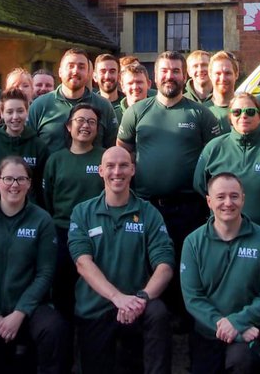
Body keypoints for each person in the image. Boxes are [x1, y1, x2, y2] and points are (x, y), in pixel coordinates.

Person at [68, 147, 175, 374]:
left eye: (124, 165)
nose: (117, 171)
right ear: (100, 171)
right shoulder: (82, 212)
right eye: (110, 166)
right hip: (95, 309)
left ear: (133, 170)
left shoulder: (149, 213)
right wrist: (117, 298)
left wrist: (141, 298)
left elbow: (164, 266)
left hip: (137, 307)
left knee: (158, 313)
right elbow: (83, 264)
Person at [0, 156, 69, 374]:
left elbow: (45, 273)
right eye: (8, 179)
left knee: (54, 327)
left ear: (29, 183)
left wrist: (20, 312)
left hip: (28, 310)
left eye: (21, 179)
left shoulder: (42, 220)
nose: (14, 185)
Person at [117, 50, 221, 271]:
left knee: (186, 267)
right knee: (145, 266)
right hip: (146, 207)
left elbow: (217, 159)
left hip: (189, 209)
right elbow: (122, 155)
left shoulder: (201, 114)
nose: (170, 76)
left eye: (176, 71)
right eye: (164, 71)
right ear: (155, 76)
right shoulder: (137, 111)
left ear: (185, 76)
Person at [180, 172, 260, 374]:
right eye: (220, 197)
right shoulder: (193, 243)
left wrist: (238, 322)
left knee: (241, 361)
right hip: (208, 333)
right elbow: (193, 298)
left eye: (234, 196)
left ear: (243, 199)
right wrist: (230, 328)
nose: (228, 203)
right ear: (209, 201)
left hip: (251, 331)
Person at [193, 93, 260, 255]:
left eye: (250, 111)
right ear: (230, 117)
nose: (243, 116)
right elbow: (200, 187)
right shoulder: (214, 148)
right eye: (237, 112)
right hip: (224, 244)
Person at [41, 103, 105, 313]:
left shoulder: (104, 158)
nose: (85, 126)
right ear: (69, 126)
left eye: (91, 122)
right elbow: (47, 197)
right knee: (62, 287)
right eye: (80, 120)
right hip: (63, 232)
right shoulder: (56, 160)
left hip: (99, 232)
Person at [29, 48, 118, 153]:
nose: (75, 71)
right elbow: (29, 149)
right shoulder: (40, 105)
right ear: (60, 71)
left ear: (89, 73)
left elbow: (112, 150)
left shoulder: (104, 106)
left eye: (81, 67)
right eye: (70, 66)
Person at [0, 88, 47, 199]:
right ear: (2, 113)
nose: (15, 117)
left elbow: (41, 186)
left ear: (27, 112)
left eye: (20, 111)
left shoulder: (38, 146)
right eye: (9, 112)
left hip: (29, 212)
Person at [207, 50, 240, 128]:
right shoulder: (202, 111)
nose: (223, 78)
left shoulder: (247, 111)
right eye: (218, 74)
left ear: (236, 74)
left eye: (228, 73)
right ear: (210, 75)